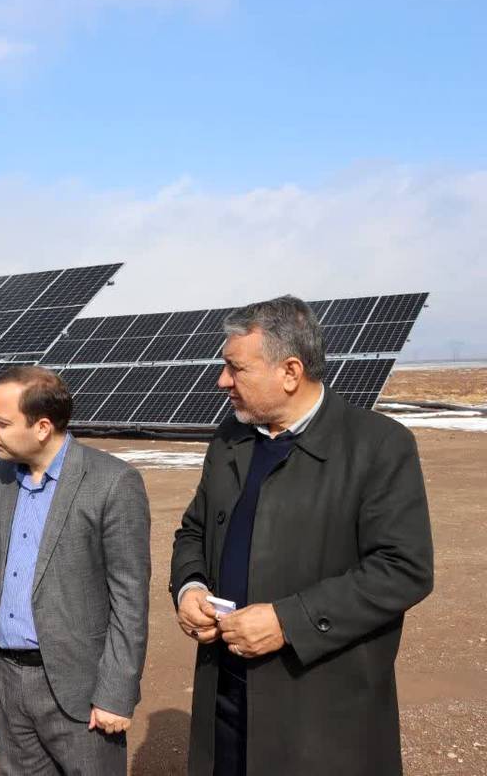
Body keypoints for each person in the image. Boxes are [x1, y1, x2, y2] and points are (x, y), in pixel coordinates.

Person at [170, 295, 434, 776]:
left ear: (290, 372)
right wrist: (190, 586)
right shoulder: (230, 439)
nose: (222, 380)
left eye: (236, 368)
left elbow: (403, 569)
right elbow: (195, 529)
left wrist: (289, 621)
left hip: (320, 716)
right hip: (227, 698)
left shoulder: (378, 445)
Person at [0, 365, 151, 775]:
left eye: (1, 422)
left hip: (80, 690)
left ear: (42, 427)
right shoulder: (0, 480)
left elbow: (130, 599)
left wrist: (116, 693)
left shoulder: (112, 482)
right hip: (9, 683)